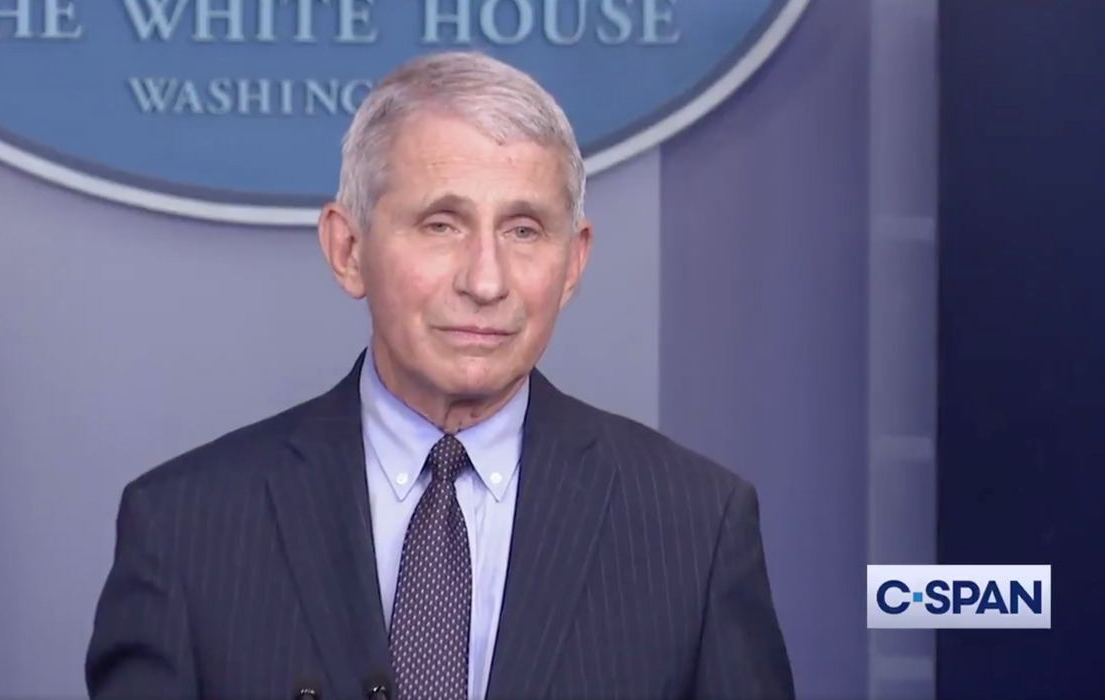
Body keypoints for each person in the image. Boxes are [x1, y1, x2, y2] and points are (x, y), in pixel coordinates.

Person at [85, 51, 794, 700]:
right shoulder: (186, 528)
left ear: (573, 262)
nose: (486, 281)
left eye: (523, 230)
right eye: (441, 225)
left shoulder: (694, 527)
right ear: (348, 249)